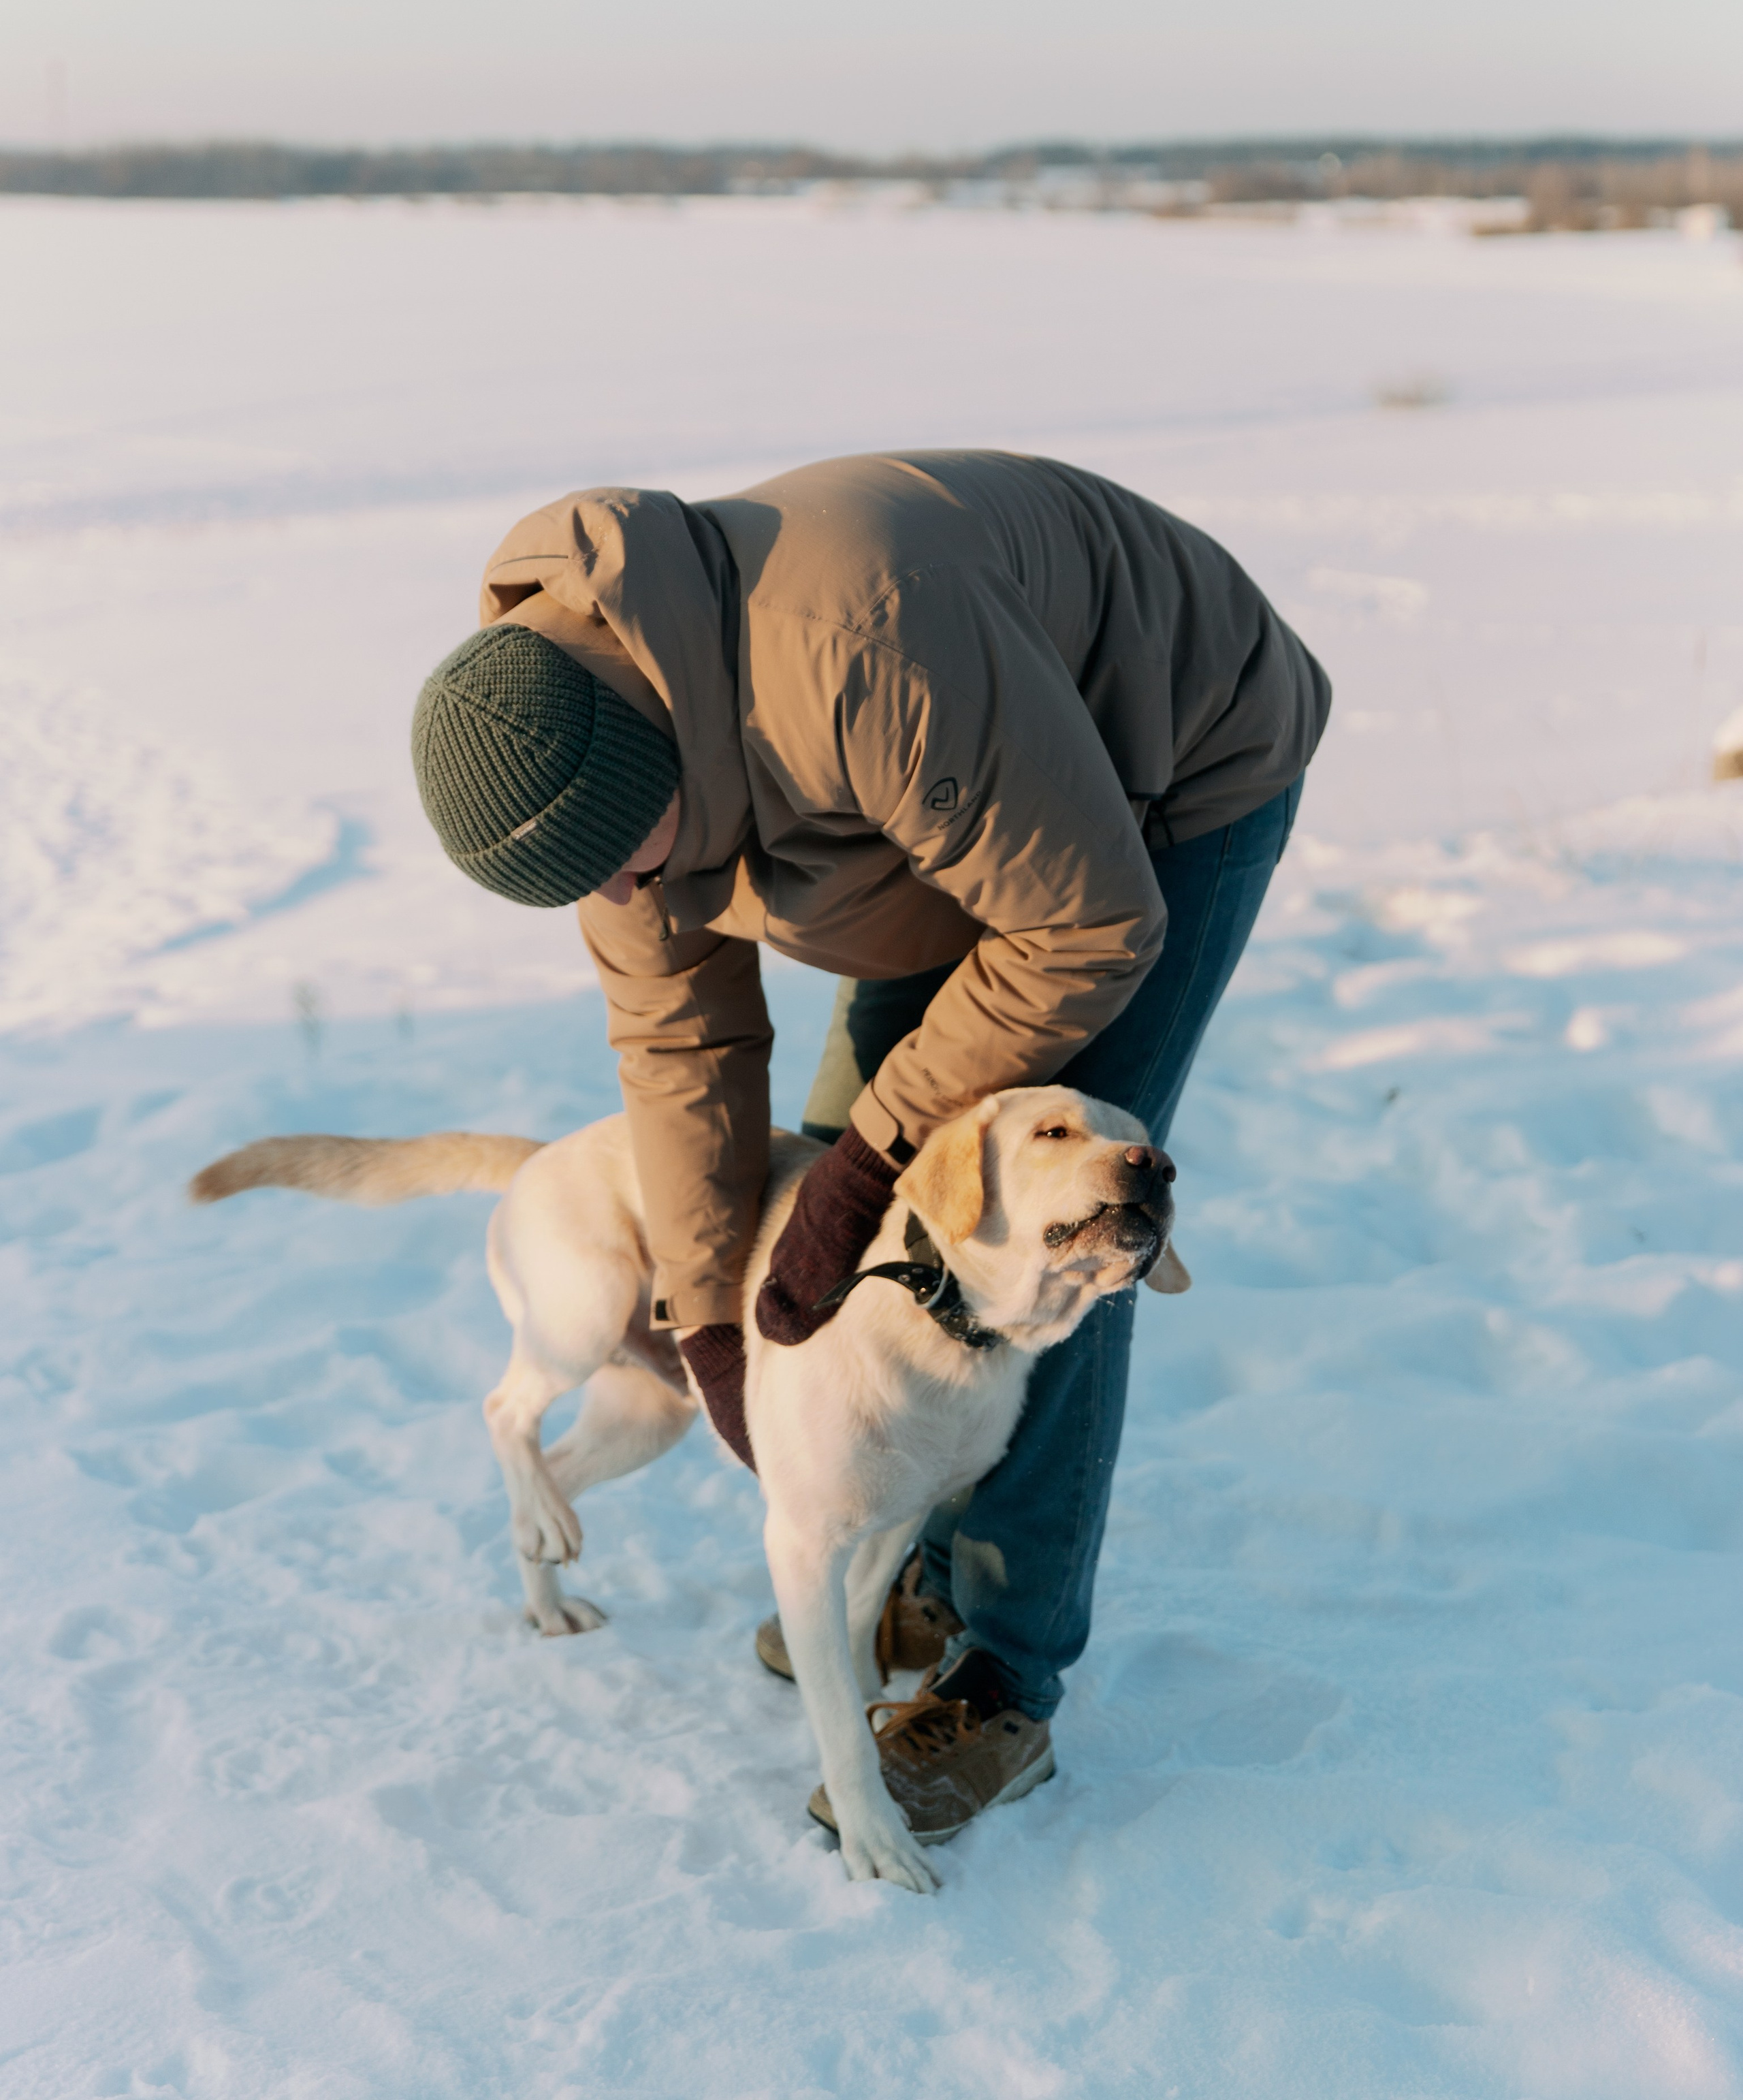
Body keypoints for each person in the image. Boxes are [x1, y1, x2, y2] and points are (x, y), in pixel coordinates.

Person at [411, 448, 1329, 1840]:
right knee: (873, 1183)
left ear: (657, 759)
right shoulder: (597, 792)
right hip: (945, 803)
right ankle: (908, 1559)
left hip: (1167, 764)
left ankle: (1002, 1676)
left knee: (1042, 1230)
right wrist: (708, 1312)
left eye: (626, 861)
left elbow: (1082, 923)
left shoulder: (857, 663)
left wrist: (870, 1165)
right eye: (593, 883)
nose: (622, 893)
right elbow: (681, 1059)